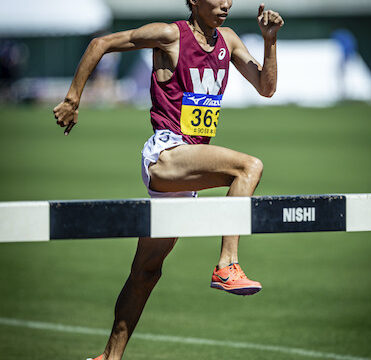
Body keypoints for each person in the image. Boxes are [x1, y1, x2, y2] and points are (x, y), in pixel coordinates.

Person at [53, 1, 284, 359]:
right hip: (166, 154)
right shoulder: (169, 35)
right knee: (248, 167)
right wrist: (72, 98)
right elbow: (100, 44)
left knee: (146, 272)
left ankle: (109, 357)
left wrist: (270, 41)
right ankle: (227, 265)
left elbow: (266, 88)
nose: (226, 4)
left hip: (187, 172)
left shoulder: (229, 40)